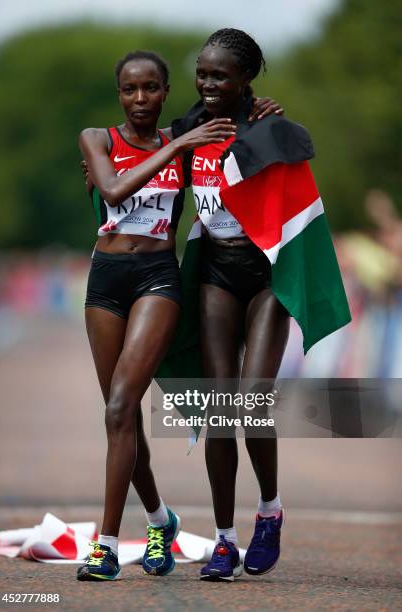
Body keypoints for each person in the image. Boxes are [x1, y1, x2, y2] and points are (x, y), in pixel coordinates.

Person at [76, 49, 238, 581]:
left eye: (150, 88)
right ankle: (158, 521)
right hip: (105, 281)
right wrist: (178, 148)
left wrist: (263, 111)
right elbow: (114, 188)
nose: (139, 99)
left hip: (156, 280)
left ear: (167, 92)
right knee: (119, 416)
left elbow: (234, 117)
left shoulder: (181, 141)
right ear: (118, 93)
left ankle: (103, 546)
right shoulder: (97, 139)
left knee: (123, 403)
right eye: (129, 89)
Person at [170, 28, 303, 582]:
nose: (207, 83)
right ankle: (224, 540)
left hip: (268, 277)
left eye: (220, 75)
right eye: (202, 72)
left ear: (246, 79)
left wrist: (272, 123)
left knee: (251, 402)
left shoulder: (271, 126)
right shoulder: (186, 130)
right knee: (220, 409)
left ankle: (269, 511)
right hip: (217, 276)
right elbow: (156, 191)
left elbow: (301, 163)